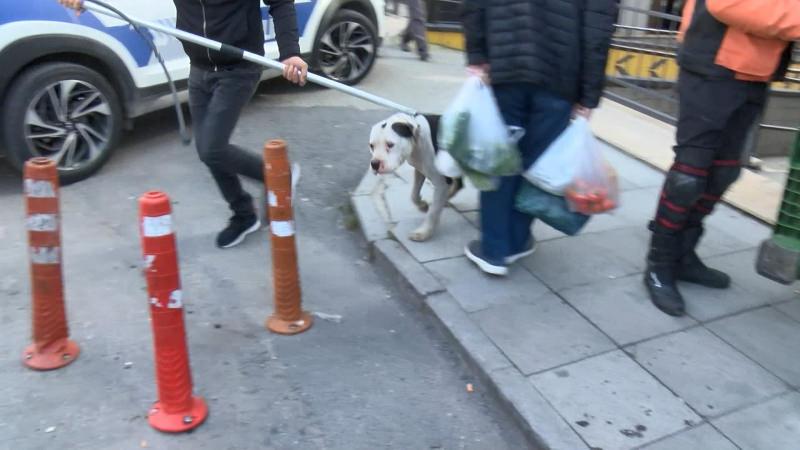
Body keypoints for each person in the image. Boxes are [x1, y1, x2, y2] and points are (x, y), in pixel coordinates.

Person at [59, 0, 308, 249]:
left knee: (213, 148)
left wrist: (290, 53)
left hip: (239, 69)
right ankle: (244, 214)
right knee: (207, 151)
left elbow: (281, 3)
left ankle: (277, 176)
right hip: (199, 68)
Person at [644, 0, 800, 317]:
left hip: (754, 71)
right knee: (688, 176)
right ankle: (659, 264)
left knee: (725, 172)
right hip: (711, 67)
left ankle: (684, 255)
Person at [460, 0, 617, 276]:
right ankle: (517, 240)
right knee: (536, 163)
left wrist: (477, 55)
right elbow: (599, 24)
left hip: (505, 65)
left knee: (499, 160)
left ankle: (494, 250)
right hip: (560, 74)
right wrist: (589, 93)